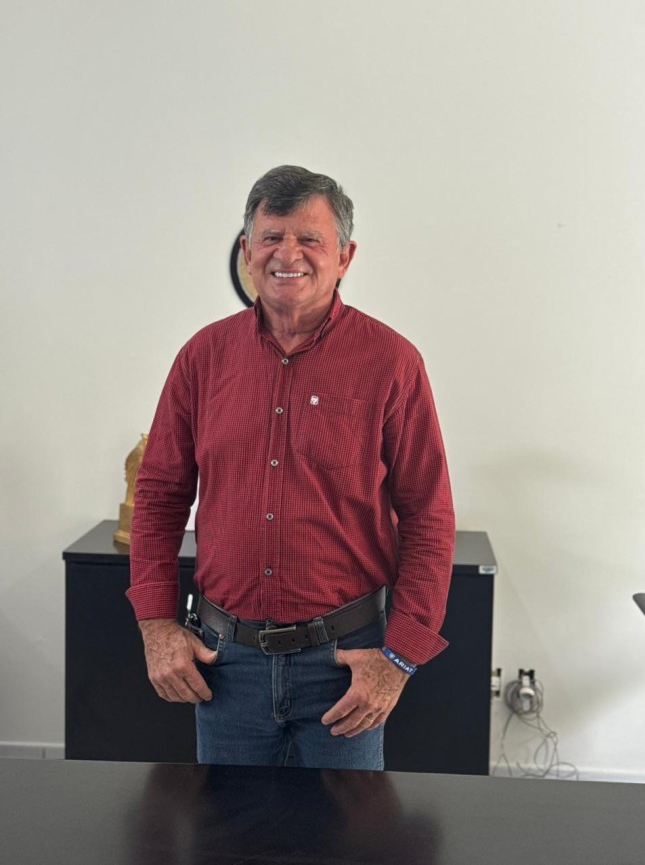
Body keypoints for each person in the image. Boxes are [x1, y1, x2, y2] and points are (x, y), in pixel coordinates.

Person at [127, 165, 455, 770]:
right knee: (228, 826)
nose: (288, 253)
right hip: (225, 667)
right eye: (272, 236)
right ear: (248, 251)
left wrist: (399, 659)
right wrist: (155, 625)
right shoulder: (202, 357)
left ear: (344, 256)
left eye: (310, 239)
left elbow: (428, 516)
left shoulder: (392, 363)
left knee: (346, 827)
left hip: (347, 668)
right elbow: (160, 494)